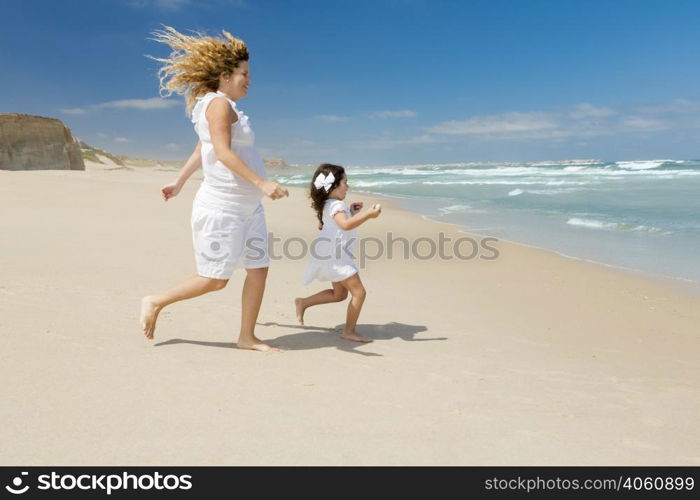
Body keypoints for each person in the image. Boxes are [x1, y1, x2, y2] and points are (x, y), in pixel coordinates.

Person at [139, 26, 288, 352]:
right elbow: (220, 151)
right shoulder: (218, 105)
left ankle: (246, 336)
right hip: (224, 208)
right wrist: (263, 182)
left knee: (258, 270)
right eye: (244, 73)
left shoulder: (219, 105)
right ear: (224, 75)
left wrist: (178, 182)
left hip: (248, 208)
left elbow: (200, 150)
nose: (249, 79)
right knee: (215, 279)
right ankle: (156, 301)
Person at [295, 164, 381, 342]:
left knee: (339, 295)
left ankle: (303, 302)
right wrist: (367, 215)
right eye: (345, 182)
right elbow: (345, 225)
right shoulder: (337, 205)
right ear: (333, 186)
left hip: (330, 251)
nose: (348, 186)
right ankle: (348, 331)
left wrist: (351, 212)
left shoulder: (331, 204)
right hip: (335, 254)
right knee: (359, 293)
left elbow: (340, 223)